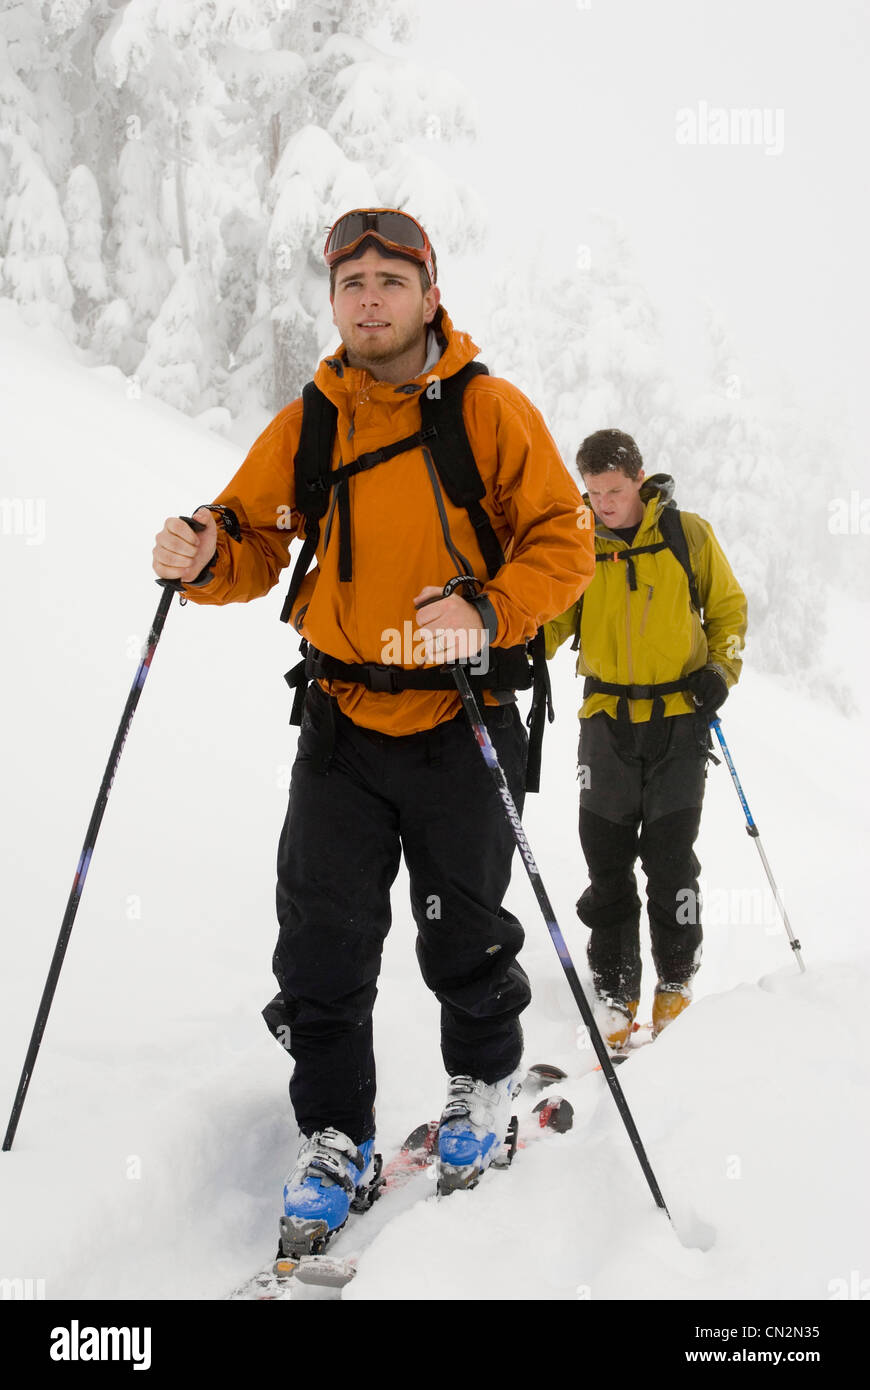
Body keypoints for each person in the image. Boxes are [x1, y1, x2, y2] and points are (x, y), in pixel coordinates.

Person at [152, 208, 593, 1253]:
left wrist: (489, 609)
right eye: (352, 283)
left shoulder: (488, 412)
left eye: (391, 280)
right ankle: (334, 1136)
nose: (369, 299)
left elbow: (565, 540)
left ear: (430, 295)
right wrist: (203, 552)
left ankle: (481, 1087)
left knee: (465, 934)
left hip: (461, 720)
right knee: (322, 942)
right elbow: (253, 533)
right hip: (341, 722)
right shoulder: (314, 417)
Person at [545, 429, 747, 1050]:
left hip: (679, 719)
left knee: (670, 858)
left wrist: (720, 672)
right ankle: (615, 990)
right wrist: (502, 643)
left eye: (614, 490)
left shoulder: (688, 535)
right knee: (606, 861)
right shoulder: (579, 542)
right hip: (605, 720)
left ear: (639, 479)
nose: (603, 503)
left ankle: (676, 981)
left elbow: (729, 611)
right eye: (593, 492)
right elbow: (550, 620)